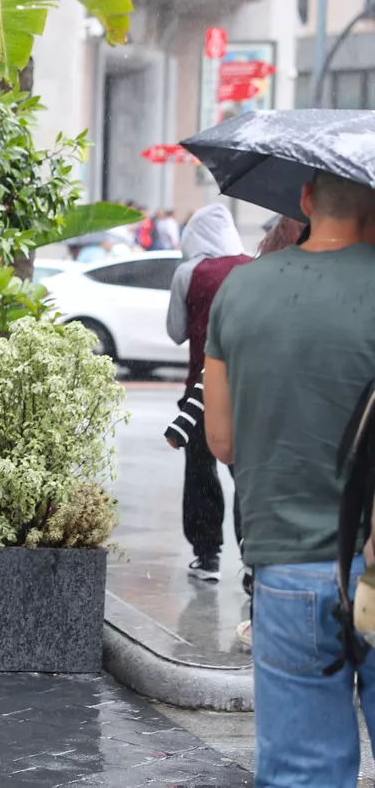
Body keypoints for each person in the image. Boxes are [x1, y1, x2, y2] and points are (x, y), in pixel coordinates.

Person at [204, 172, 375, 787]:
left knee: (303, 774)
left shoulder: (241, 289)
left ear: (305, 201)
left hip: (291, 573)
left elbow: (221, 440)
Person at [166, 203, 249, 581]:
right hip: (248, 387)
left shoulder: (188, 272)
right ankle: (251, 558)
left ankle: (207, 555)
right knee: (246, 473)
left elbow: (175, 331)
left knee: (201, 469)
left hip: (200, 386)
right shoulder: (256, 267)